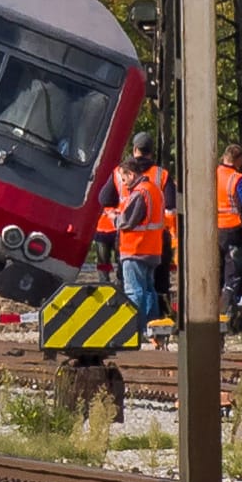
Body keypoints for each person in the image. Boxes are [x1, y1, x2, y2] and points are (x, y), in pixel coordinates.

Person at [98, 132, 177, 308]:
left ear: (134, 150)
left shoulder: (120, 173)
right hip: (157, 242)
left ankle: (136, 329)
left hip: (129, 243)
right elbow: (171, 209)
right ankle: (155, 327)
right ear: (151, 152)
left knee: (131, 289)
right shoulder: (161, 175)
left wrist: (117, 215)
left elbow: (103, 199)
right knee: (156, 287)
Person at [115, 157, 165, 336]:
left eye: (124, 177)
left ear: (131, 173)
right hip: (152, 250)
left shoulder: (139, 193)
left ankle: (134, 331)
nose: (123, 182)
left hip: (135, 249)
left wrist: (115, 219)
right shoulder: (155, 190)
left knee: (134, 292)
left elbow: (127, 221)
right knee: (149, 291)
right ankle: (153, 329)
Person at [216, 144, 242, 324]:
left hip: (213, 231)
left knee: (216, 274)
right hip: (233, 231)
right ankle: (227, 316)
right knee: (233, 276)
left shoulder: (212, 175)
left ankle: (212, 313)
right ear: (238, 160)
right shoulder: (237, 179)